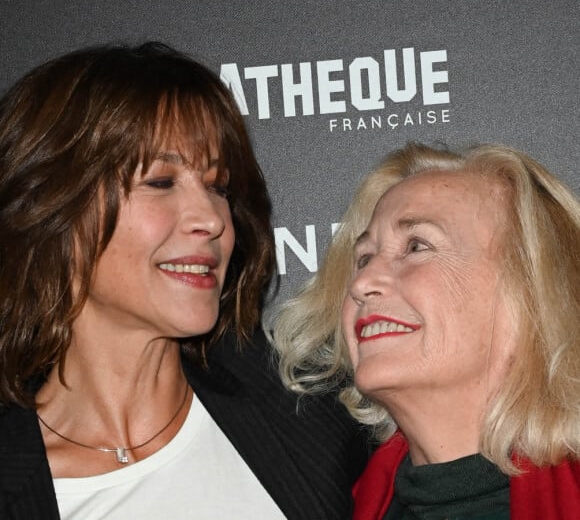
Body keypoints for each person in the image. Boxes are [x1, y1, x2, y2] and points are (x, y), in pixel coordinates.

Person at [0, 42, 368, 519]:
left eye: (218, 187)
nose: (212, 218)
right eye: (160, 182)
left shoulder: (316, 420)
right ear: (54, 210)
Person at [275, 143, 580, 519]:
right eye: (364, 259)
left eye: (416, 246)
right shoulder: (337, 503)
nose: (361, 282)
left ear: (530, 289)